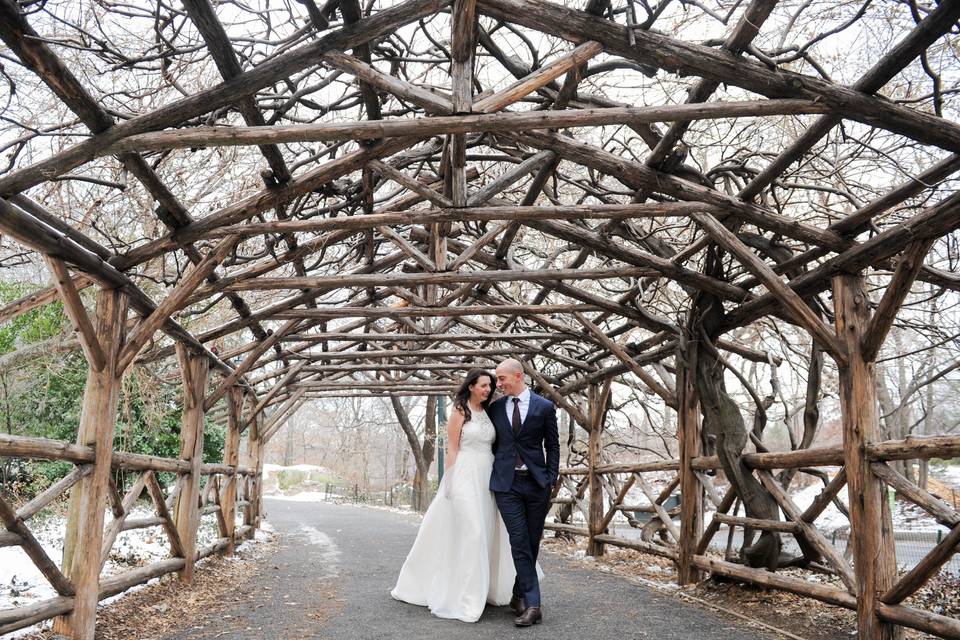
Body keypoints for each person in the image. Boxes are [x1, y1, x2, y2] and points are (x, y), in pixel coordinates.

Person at [390, 368, 517, 622]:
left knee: (487, 531)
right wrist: (449, 481)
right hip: (465, 475)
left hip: (487, 478)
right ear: (470, 386)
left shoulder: (489, 412)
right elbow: (452, 449)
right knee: (474, 531)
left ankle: (485, 588)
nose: (488, 389)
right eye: (483, 385)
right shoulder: (460, 411)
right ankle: (466, 596)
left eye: (490, 386)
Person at [488, 358, 559, 627]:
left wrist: (550, 478)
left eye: (502, 379)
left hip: (536, 483)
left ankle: (518, 594)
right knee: (518, 540)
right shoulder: (495, 409)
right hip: (507, 485)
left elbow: (553, 446)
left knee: (531, 541)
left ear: (518, 376)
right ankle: (533, 606)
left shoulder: (544, 407)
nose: (498, 384)